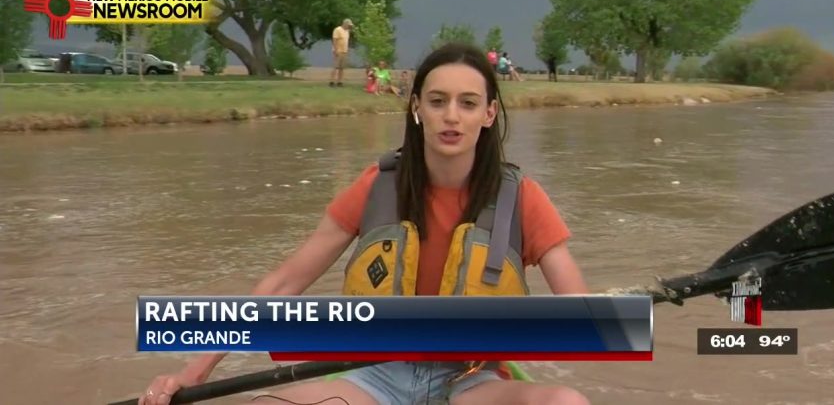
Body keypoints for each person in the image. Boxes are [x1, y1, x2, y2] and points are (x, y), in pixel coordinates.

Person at [138, 43, 590, 405]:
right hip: (378, 376)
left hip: (475, 382)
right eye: (437, 101)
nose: (451, 115)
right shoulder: (377, 186)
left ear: (488, 115)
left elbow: (581, 316)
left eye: (467, 103)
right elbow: (282, 284)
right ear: (417, 109)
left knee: (567, 401)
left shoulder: (522, 197)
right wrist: (193, 373)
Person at [330, 18, 354, 87]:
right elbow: (335, 40)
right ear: (345, 24)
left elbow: (347, 41)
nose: (349, 26)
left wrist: (347, 51)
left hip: (344, 51)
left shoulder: (347, 31)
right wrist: (335, 50)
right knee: (335, 67)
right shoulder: (337, 30)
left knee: (342, 67)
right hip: (338, 51)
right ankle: (332, 81)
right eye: (348, 25)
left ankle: (339, 81)